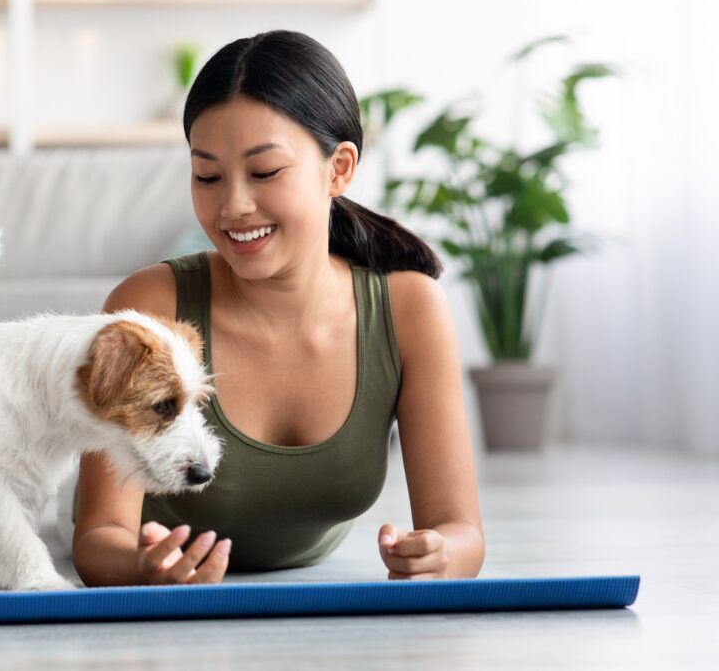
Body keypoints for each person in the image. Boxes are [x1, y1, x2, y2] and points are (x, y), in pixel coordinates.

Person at [65, 30, 484, 586]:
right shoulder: (148, 308)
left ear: (338, 169)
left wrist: (436, 554)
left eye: (264, 172)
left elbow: (461, 533)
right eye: (207, 176)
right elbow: (99, 541)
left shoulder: (409, 308)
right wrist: (145, 568)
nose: (233, 206)